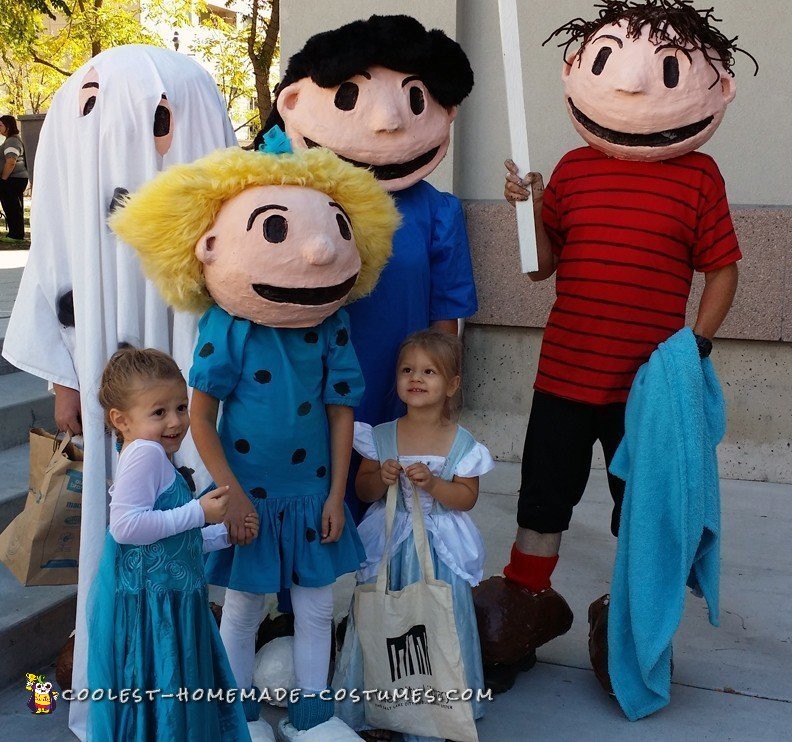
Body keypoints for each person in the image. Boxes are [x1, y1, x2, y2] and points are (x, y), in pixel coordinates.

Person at [473, 0, 754, 692]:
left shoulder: (699, 177)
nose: (629, 88)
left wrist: (697, 346)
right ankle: (527, 608)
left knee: (642, 509)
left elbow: (724, 269)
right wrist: (525, 206)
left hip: (647, 390)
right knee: (542, 500)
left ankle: (626, 619)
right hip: (565, 372)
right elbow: (540, 265)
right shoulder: (571, 169)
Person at [109, 143, 398, 736]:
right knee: (242, 606)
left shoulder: (332, 324)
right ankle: (239, 716)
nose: (316, 251)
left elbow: (342, 412)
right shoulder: (229, 325)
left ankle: (312, 715)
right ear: (210, 248)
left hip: (313, 491)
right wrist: (232, 495)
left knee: (318, 604)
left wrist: (336, 494)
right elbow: (201, 417)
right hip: (248, 494)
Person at [1, 46, 238, 740]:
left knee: (181, 525)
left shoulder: (199, 178)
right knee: (120, 530)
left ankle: (175, 671)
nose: (138, 130)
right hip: (110, 374)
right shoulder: (81, 177)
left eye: (164, 118)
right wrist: (64, 379)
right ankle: (116, 669)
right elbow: (56, 264)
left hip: (184, 382)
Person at [264, 14, 479, 522]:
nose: (385, 123)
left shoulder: (437, 211)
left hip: (396, 379)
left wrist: (439, 390)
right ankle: (297, 599)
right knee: (304, 498)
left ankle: (378, 598)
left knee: (385, 508)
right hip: (307, 377)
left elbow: (445, 314)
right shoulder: (293, 198)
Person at [87, 346, 256, 740]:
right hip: (157, 612)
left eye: (181, 407)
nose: (175, 421)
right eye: (158, 412)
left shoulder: (150, 453)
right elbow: (125, 528)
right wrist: (200, 513)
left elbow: (163, 537)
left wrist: (219, 533)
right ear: (121, 420)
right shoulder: (145, 453)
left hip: (168, 601)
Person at [335, 328, 493, 742]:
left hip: (440, 546)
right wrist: (381, 477)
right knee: (387, 617)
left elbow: (466, 497)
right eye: (408, 370)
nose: (416, 378)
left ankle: (440, 702)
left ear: (452, 385)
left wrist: (436, 486)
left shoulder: (462, 443)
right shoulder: (382, 435)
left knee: (439, 619)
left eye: (429, 371)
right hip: (392, 537)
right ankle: (380, 696)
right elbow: (363, 490)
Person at [0, 114, 28, 242]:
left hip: (13, 179)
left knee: (12, 207)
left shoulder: (12, 141)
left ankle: (16, 235)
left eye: (0, 125)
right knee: (13, 206)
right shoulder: (12, 139)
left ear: (8, 126)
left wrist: (4, 179)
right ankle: (15, 233)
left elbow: (11, 161)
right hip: (15, 179)